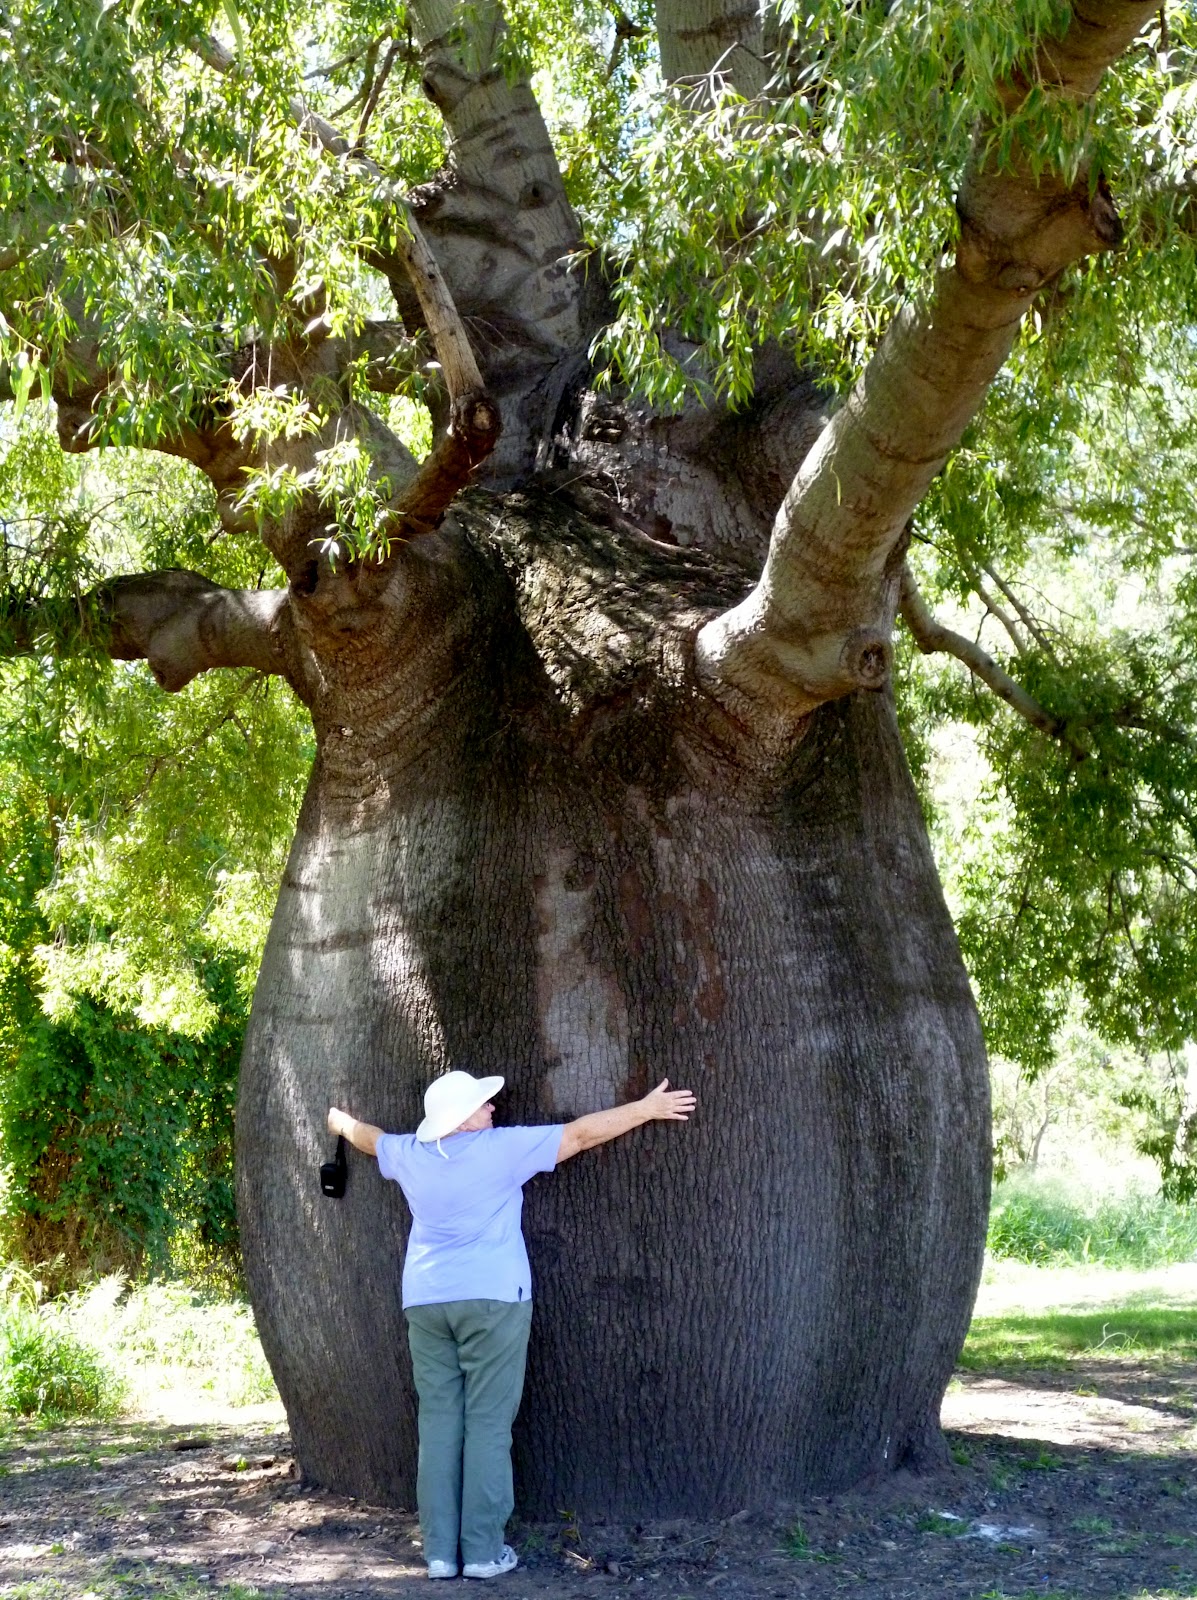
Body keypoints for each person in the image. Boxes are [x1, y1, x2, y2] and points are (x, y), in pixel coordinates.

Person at [327, 1072, 696, 1582]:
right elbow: (581, 1134)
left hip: (427, 1301)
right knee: (487, 1424)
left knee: (438, 1423)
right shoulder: (500, 1150)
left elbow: (370, 1140)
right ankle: (480, 1552)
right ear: (460, 1120)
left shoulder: (410, 1153)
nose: (493, 1109)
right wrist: (645, 1109)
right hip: (494, 1301)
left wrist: (340, 1123)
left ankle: (438, 1553)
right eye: (482, 1104)